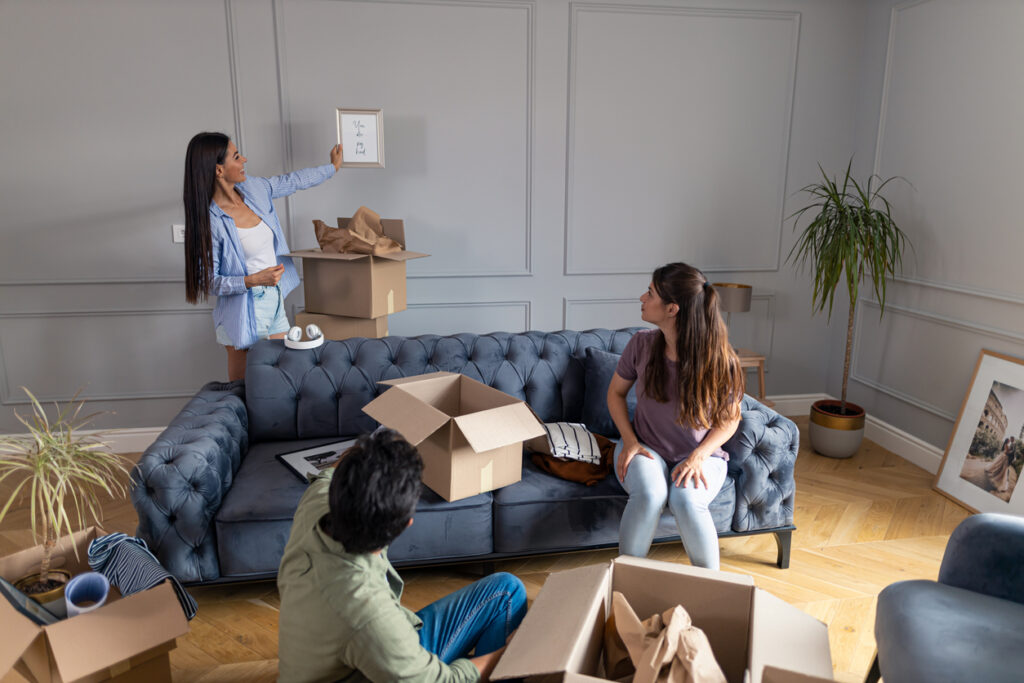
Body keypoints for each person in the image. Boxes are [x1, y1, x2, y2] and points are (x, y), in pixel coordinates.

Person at [277, 429, 527, 682]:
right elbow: (445, 680)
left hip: (346, 655)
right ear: (406, 524)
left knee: (506, 589)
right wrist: (507, 653)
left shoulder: (317, 502)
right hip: (376, 661)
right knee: (511, 645)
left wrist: (379, 452)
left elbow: (332, 471)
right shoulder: (368, 614)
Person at [607, 262, 744, 570]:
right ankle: (625, 581)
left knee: (686, 500)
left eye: (651, 293)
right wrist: (629, 442)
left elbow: (730, 419)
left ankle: (712, 589)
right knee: (651, 494)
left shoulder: (721, 359)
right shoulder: (641, 344)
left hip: (702, 454)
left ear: (672, 309)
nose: (642, 298)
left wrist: (698, 456)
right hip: (645, 446)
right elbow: (614, 394)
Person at [182, 132, 343, 380]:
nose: (244, 159)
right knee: (245, 387)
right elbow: (208, 281)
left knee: (282, 378)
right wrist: (252, 281)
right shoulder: (210, 221)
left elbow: (293, 180)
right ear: (218, 170)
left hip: (274, 300)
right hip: (243, 309)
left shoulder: (255, 189)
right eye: (236, 156)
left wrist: (331, 168)